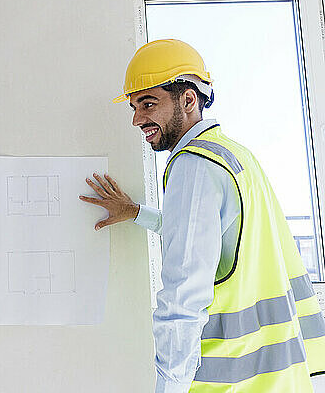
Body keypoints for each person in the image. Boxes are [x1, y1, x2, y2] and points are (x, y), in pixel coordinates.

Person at [80, 39, 325, 392]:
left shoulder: (195, 165)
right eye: (134, 107)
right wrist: (137, 213)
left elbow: (182, 299)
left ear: (189, 100)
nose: (136, 119)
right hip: (278, 378)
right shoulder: (235, 155)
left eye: (148, 103)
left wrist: (167, 387)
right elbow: (214, 239)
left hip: (230, 382)